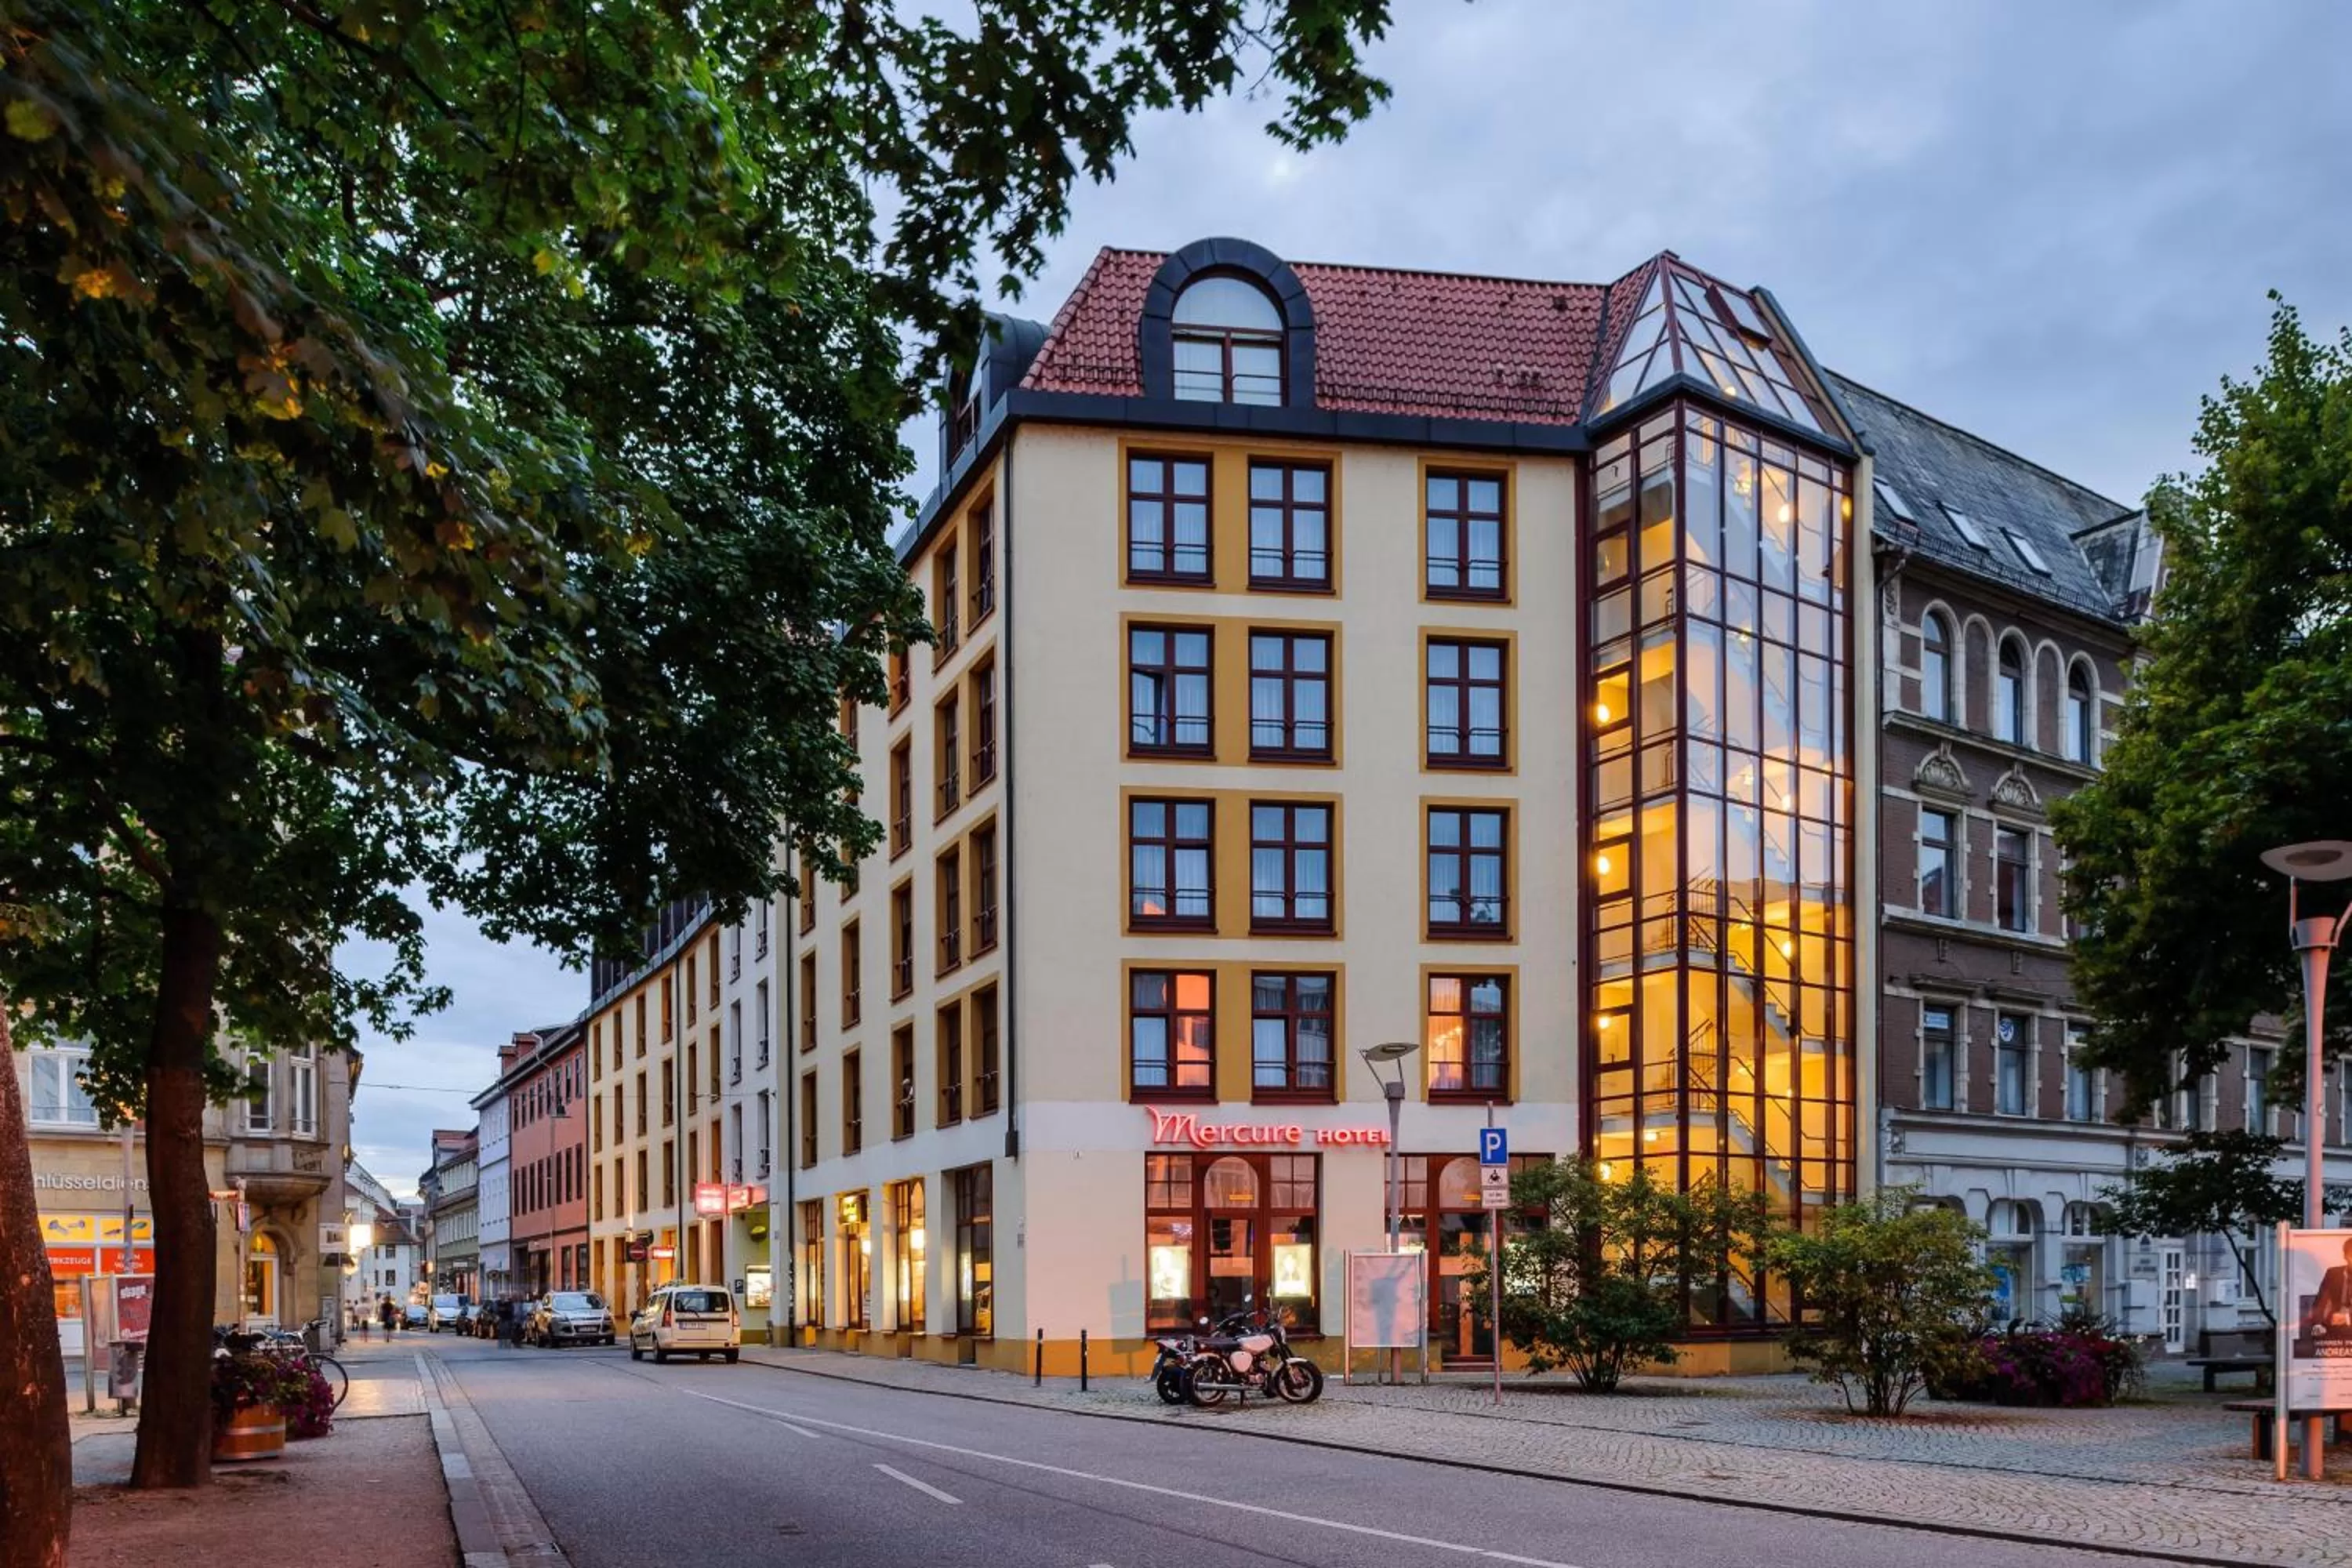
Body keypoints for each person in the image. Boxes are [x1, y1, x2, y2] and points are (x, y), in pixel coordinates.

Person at [2299, 1236, 2352, 1338]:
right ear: (2345, 1256)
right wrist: (2318, 1324)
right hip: (2334, 1329)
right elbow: (2321, 1301)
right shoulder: (2333, 1273)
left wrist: (2347, 1318)